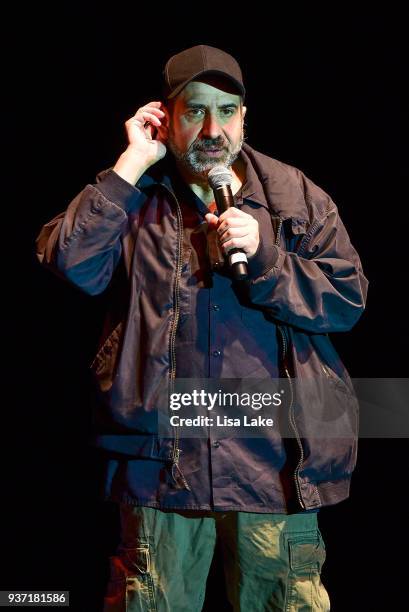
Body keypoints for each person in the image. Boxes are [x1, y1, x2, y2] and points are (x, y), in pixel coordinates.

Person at [36, 44, 368, 611]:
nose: (212, 128)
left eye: (227, 110)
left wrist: (267, 258)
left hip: (272, 466)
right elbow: (71, 262)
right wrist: (131, 164)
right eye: (194, 111)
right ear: (166, 117)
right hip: (164, 469)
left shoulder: (294, 198)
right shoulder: (132, 196)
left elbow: (346, 300)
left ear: (245, 116)